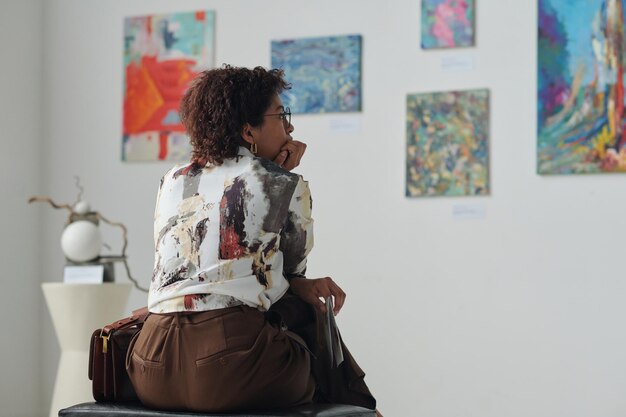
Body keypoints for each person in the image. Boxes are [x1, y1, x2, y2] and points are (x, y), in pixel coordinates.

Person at [126, 65, 380, 415]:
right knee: (308, 309)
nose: (290, 127)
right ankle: (364, 408)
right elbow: (292, 273)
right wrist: (283, 177)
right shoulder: (279, 183)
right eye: (281, 115)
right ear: (249, 131)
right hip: (229, 371)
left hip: (150, 367)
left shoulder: (172, 179)